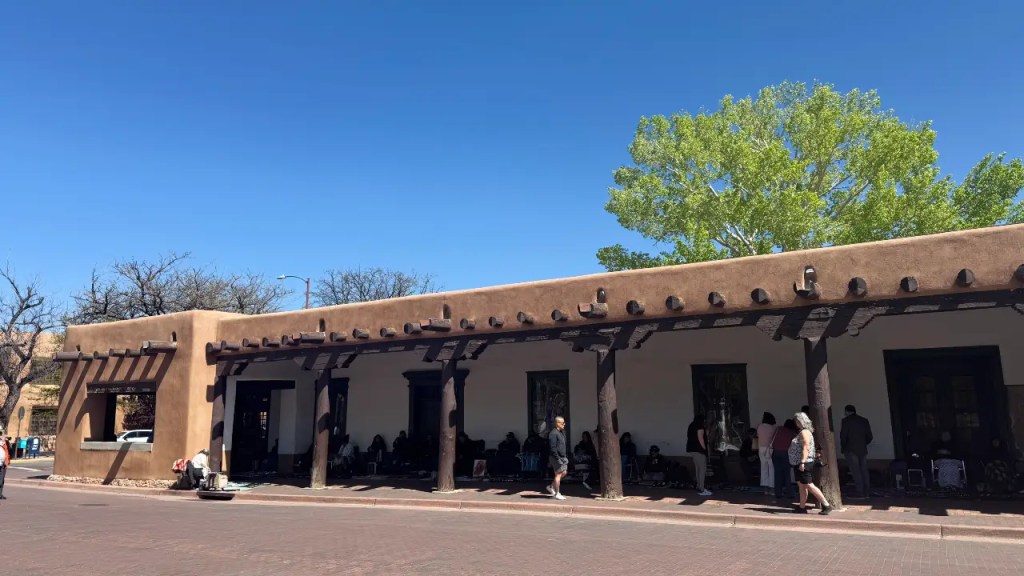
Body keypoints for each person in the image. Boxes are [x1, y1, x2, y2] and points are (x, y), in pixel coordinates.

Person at [790, 412, 832, 515]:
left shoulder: (804, 432)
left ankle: (826, 505)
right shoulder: (804, 432)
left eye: (797, 421)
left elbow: (806, 447)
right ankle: (802, 507)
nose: (796, 423)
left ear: (800, 421)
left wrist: (802, 462)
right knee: (801, 485)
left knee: (808, 484)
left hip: (804, 462)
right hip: (799, 462)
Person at [840, 405, 873, 498]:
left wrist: (843, 447)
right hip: (862, 448)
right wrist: (863, 444)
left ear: (847, 411)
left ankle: (860, 491)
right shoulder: (864, 420)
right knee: (864, 469)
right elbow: (870, 436)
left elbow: (843, 436)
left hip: (850, 449)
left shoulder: (845, 421)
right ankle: (867, 489)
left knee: (855, 470)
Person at [771, 419, 798, 499]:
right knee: (787, 474)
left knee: (777, 473)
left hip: (775, 453)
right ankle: (789, 493)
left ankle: (778, 493)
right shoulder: (792, 434)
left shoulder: (778, 429)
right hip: (786, 453)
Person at [686, 413, 712, 496]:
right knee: (702, 469)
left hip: (691, 449)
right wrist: (704, 449)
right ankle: (702, 488)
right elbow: (700, 438)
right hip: (699, 450)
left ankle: (698, 485)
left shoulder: (691, 425)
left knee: (698, 468)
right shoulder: (699, 427)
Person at [546, 416, 568, 500]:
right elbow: (553, 448)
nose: (564, 424)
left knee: (564, 472)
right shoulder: (553, 433)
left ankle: (551, 486)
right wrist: (558, 459)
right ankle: (557, 493)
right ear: (557, 424)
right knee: (558, 474)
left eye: (564, 422)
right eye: (562, 423)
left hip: (562, 457)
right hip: (556, 457)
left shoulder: (562, 432)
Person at [756, 412, 777, 495]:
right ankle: (772, 489)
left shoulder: (759, 426)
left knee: (763, 468)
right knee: (771, 468)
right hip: (770, 449)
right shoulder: (774, 428)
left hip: (761, 448)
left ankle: (765, 489)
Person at [0, 433, 10, 500]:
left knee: (1, 480)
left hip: (3, 464)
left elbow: (8, 453)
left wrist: (7, 462)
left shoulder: (5, 444)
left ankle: (0, 494)